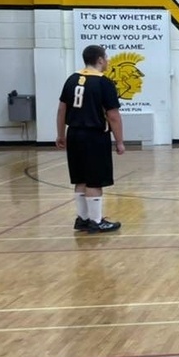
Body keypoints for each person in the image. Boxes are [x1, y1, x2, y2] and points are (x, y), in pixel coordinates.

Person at [55, 44, 124, 234]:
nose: (108, 60)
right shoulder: (104, 83)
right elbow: (113, 116)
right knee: (95, 180)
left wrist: (61, 134)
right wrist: (119, 141)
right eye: (106, 57)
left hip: (74, 133)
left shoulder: (72, 79)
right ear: (100, 60)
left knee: (81, 178)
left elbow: (62, 110)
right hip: (94, 135)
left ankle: (83, 219)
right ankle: (96, 221)